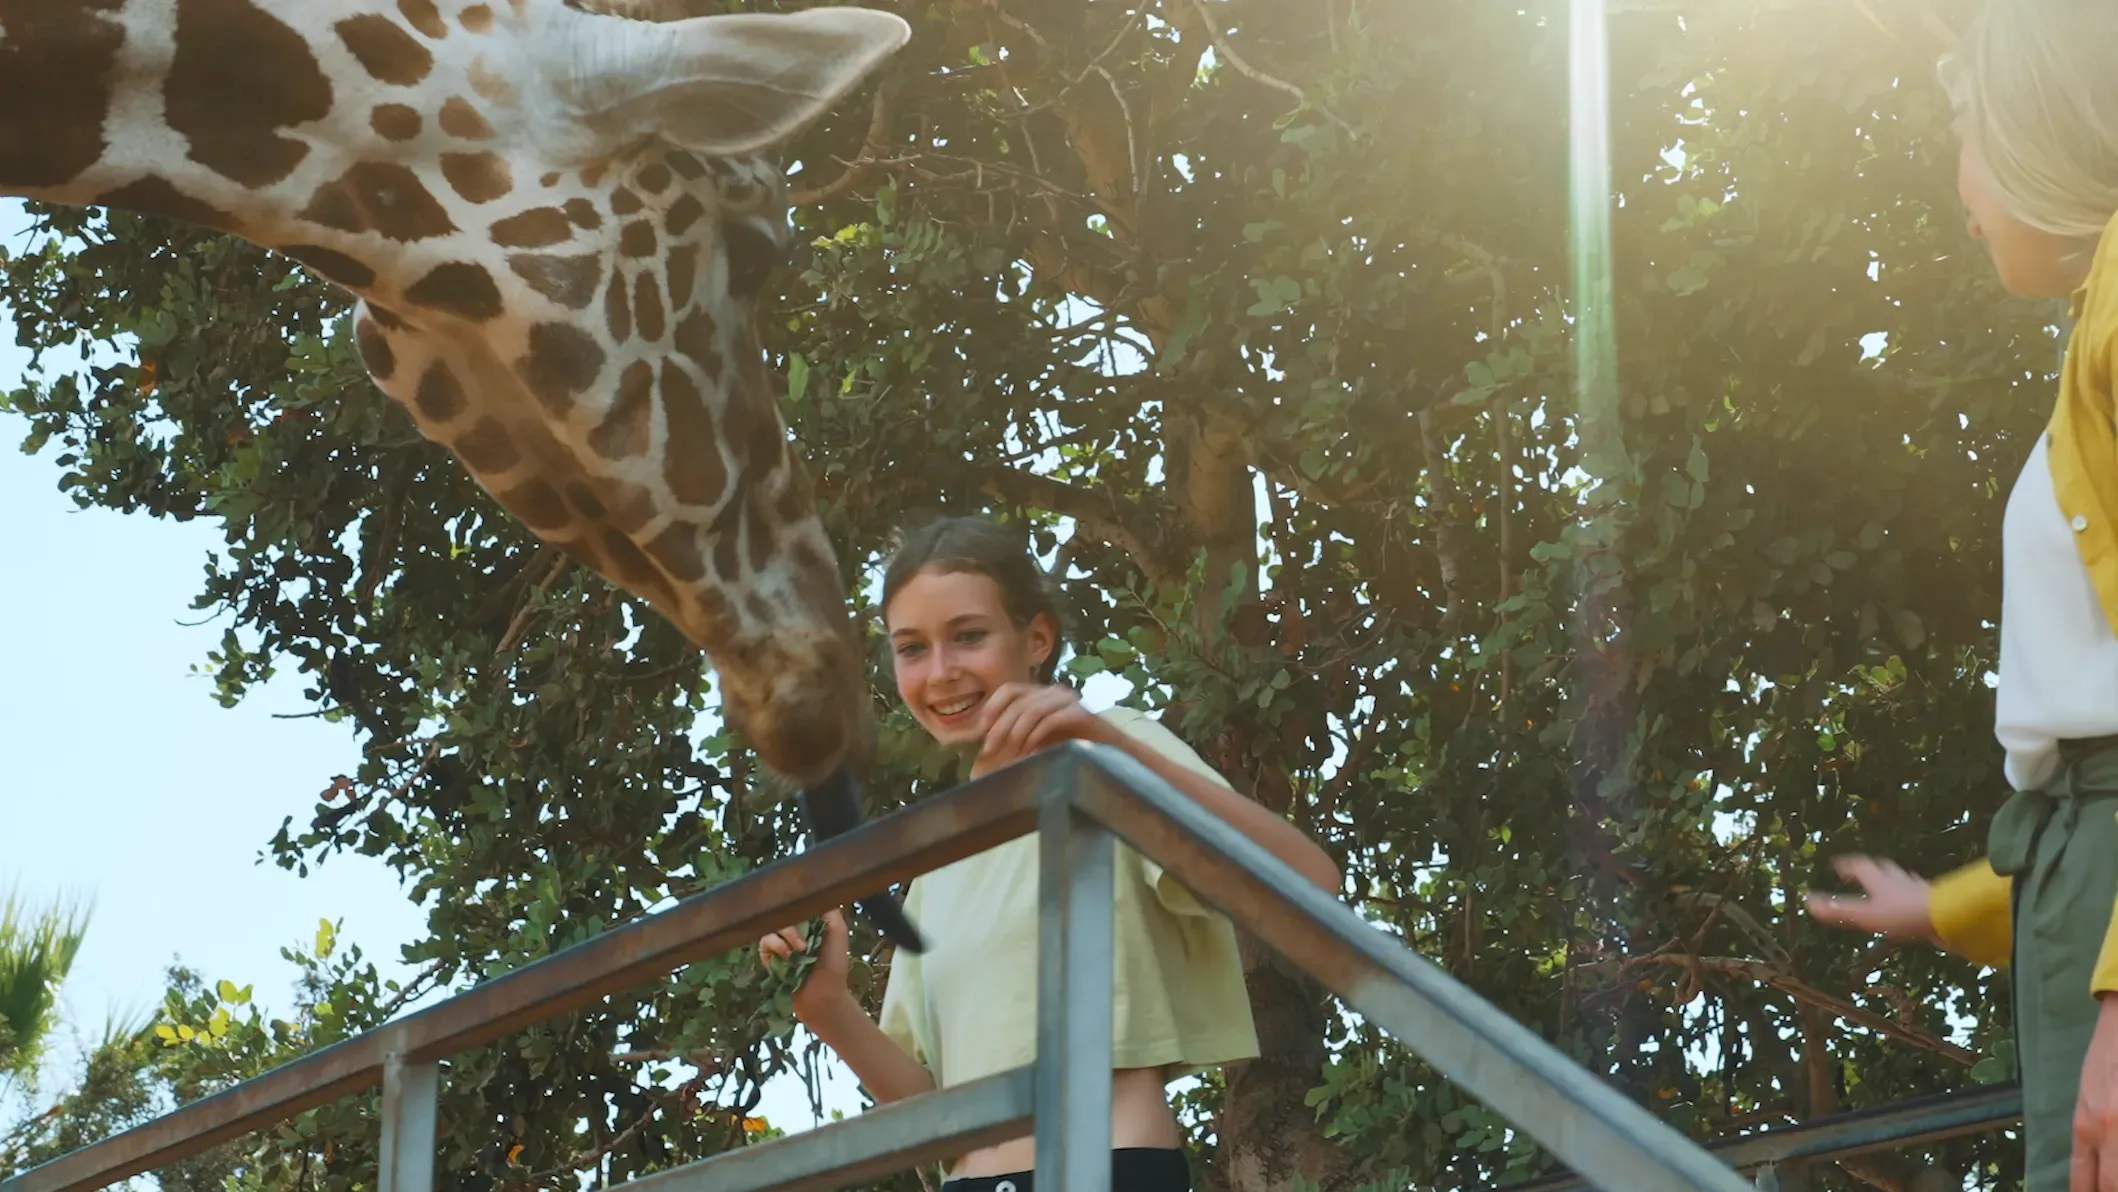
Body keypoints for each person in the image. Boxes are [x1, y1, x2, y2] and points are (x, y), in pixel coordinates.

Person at [756, 515, 1340, 1192]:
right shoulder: (938, 857)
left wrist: (1103, 745)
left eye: (968, 636)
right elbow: (933, 1112)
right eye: (911, 647)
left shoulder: (1108, 754)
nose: (941, 672)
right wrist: (828, 1007)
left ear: (1036, 639)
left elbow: (1308, 882)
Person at [1803, 5, 2118, 1192]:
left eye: (1962, 127)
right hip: (2072, 883)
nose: (1958, 181)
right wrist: (1950, 905)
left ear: (2041, 122)